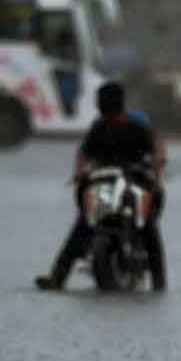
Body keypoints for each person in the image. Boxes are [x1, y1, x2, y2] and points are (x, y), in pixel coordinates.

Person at [35, 81, 167, 291]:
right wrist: (79, 171)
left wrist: (157, 166)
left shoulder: (137, 127)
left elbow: (157, 146)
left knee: (148, 226)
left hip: (134, 182)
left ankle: (160, 283)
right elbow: (84, 152)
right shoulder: (99, 128)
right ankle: (57, 278)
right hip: (104, 184)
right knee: (84, 223)